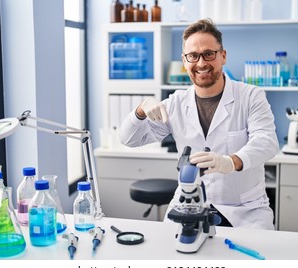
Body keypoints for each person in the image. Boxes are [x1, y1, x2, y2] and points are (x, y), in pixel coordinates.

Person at [119, 18, 279, 230]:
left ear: (223, 56)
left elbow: (267, 141)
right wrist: (140, 110)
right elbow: (129, 139)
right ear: (185, 62)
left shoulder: (250, 96)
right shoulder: (175, 103)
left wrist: (230, 162)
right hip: (189, 203)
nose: (201, 63)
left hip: (245, 209)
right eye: (193, 56)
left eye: (209, 54)